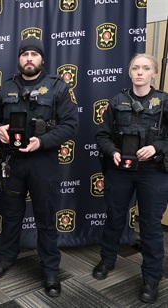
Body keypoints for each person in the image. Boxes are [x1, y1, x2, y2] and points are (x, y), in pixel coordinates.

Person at [0, 37, 79, 297]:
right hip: (12, 162)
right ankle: (7, 258)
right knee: (11, 214)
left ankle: (50, 270)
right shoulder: (6, 88)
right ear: (19, 59)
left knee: (46, 219)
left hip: (43, 162)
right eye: (24, 54)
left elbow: (71, 124)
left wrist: (43, 141)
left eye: (34, 55)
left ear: (42, 59)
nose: (29, 59)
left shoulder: (58, 87)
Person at [93, 53, 168, 304]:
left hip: (152, 171)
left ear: (154, 73)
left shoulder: (164, 102)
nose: (140, 72)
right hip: (120, 169)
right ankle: (107, 260)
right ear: (129, 72)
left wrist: (157, 148)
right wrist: (112, 151)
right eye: (135, 67)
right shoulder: (117, 101)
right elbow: (102, 136)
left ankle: (151, 278)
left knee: (150, 226)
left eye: (146, 68)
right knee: (114, 218)